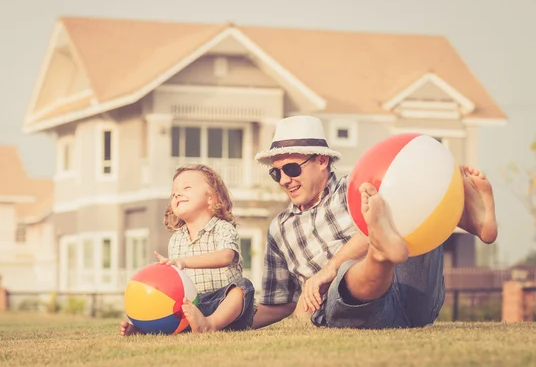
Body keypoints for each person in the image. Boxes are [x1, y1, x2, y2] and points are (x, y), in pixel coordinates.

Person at [251, 115, 498, 330]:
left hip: (415, 293)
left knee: (406, 208)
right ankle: (380, 252)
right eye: (276, 173)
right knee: (345, 276)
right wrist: (223, 322)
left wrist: (328, 269)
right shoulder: (280, 229)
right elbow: (278, 303)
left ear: (321, 161)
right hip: (357, 309)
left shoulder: (359, 187)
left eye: (292, 169)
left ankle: (465, 215)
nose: (284, 180)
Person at [120, 164, 256, 335]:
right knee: (167, 301)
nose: (177, 193)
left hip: (223, 305)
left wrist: (184, 262)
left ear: (211, 198)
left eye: (186, 188)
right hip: (191, 306)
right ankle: (145, 329)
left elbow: (226, 256)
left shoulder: (224, 229)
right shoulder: (176, 240)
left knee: (244, 287)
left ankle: (210, 324)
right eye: (174, 192)